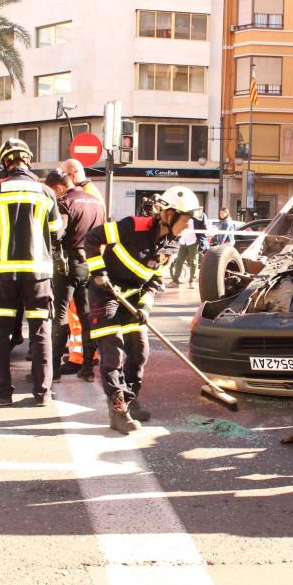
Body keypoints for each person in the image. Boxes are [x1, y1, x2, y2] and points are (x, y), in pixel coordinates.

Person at [84, 186, 200, 433]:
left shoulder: (173, 245)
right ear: (169, 215)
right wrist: (99, 273)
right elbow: (93, 238)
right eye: (186, 219)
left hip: (133, 299)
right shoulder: (131, 226)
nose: (188, 225)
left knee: (139, 352)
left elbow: (155, 280)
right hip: (106, 295)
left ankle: (129, 399)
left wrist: (145, 307)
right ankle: (118, 411)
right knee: (113, 353)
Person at [0, 138, 63, 407]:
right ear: (28, 160)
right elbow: (57, 231)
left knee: (1, 333)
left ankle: (2, 393)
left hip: (4, 275)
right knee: (40, 330)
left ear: (5, 162)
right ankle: (42, 393)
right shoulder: (46, 192)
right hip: (38, 275)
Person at [50, 170, 105, 383]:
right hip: (90, 263)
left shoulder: (64, 202)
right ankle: (88, 368)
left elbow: (57, 233)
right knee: (86, 315)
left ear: (60, 187)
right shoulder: (97, 202)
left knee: (60, 315)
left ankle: (53, 370)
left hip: (68, 264)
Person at [169, 218, 201, 288]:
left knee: (194, 262)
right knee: (179, 260)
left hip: (193, 242)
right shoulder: (181, 217)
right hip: (183, 241)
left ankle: (192, 281)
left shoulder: (196, 218)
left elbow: (203, 227)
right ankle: (175, 281)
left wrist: (200, 240)